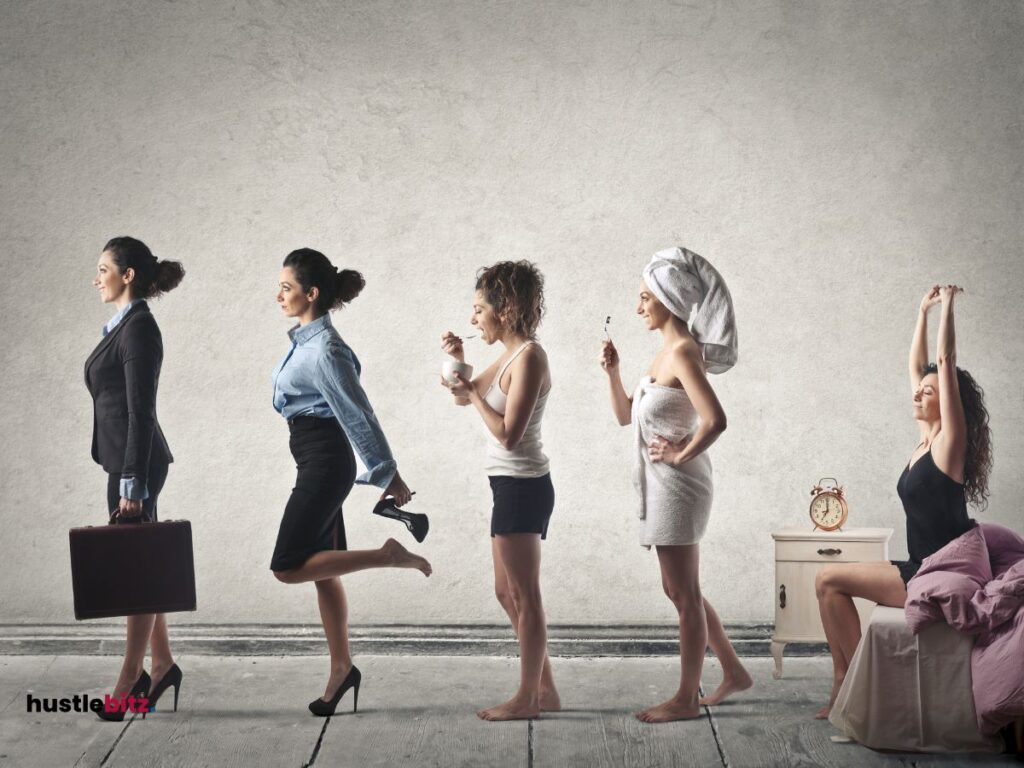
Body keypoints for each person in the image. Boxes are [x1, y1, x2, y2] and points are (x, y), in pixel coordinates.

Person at [814, 284, 991, 719]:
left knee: (830, 581)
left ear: (948, 403)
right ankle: (847, 679)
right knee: (825, 581)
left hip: (938, 571)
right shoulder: (923, 442)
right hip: (917, 563)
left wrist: (948, 305)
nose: (918, 394)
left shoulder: (950, 445)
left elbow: (943, 363)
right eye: (920, 390)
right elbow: (919, 368)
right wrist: (921, 312)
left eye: (928, 393)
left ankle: (855, 685)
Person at [270, 248, 431, 717]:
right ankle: (342, 670)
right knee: (326, 574)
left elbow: (358, 414)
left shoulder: (325, 349)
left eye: (286, 287)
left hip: (325, 462)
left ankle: (388, 556)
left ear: (311, 293)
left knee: (287, 565)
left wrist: (388, 474)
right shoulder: (305, 341)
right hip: (313, 457)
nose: (278, 294)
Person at [600, 246, 752, 722]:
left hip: (680, 487)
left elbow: (716, 420)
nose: (638, 306)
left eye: (645, 297)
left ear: (668, 299)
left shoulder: (684, 352)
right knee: (680, 588)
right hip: (663, 483)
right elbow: (627, 417)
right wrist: (613, 372)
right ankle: (733, 671)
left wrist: (680, 454)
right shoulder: (663, 352)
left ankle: (686, 699)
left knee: (683, 593)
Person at [441, 260, 559, 721]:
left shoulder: (530, 357)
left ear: (505, 308)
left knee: (525, 595)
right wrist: (456, 360)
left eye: (478, 310)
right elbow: (460, 392)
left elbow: (509, 434)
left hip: (523, 485)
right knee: (504, 592)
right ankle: (544, 689)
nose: (473, 320)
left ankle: (528, 698)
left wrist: (471, 394)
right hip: (506, 485)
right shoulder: (509, 355)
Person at [86, 236, 185, 721]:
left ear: (127, 275)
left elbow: (141, 411)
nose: (95, 277)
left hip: (137, 464)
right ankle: (162, 664)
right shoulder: (122, 327)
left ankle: (130, 679)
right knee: (144, 567)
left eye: (103, 268)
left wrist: (132, 482)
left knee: (134, 575)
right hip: (127, 460)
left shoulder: (139, 329)